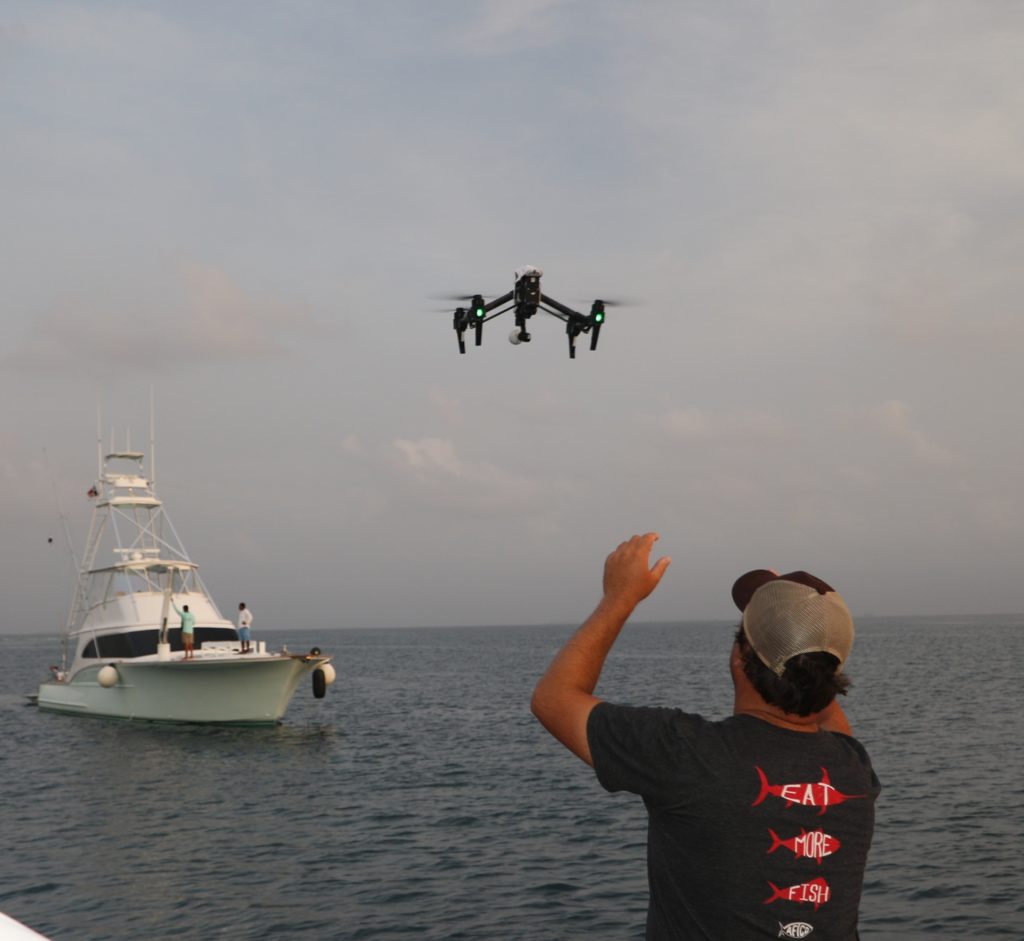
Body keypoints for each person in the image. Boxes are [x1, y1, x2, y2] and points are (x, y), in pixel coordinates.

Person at [531, 533, 880, 941]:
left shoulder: (685, 754)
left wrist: (619, 598)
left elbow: (553, 699)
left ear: (738, 658)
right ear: (833, 671)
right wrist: (801, 622)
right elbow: (819, 703)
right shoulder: (854, 770)